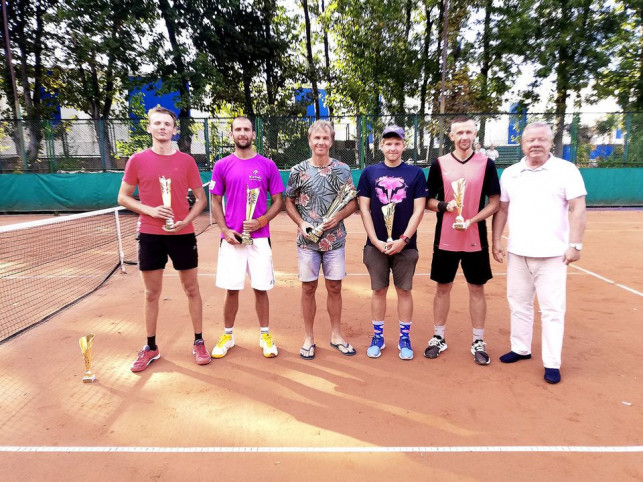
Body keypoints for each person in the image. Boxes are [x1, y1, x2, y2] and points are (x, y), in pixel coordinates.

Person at [492, 121, 587, 384]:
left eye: (541, 140)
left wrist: (575, 245)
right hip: (518, 253)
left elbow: (578, 208)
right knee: (518, 304)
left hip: (553, 255)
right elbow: (502, 209)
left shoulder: (565, 170)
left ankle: (552, 362)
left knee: (552, 310)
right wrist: (496, 240)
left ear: (549, 142)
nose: (535, 144)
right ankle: (521, 348)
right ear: (522, 144)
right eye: (530, 140)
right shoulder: (511, 173)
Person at [118, 106, 209, 372]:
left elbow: (200, 199)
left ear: (173, 129)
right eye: (157, 123)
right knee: (151, 293)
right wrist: (151, 211)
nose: (162, 128)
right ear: (149, 128)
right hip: (149, 234)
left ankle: (199, 341)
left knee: (192, 289)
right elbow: (122, 197)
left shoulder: (186, 161)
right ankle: (151, 347)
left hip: (182, 234)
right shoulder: (137, 160)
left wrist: (187, 220)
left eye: (167, 124)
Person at [424, 116, 500, 365]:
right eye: (460, 133)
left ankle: (478, 340)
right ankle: (438, 337)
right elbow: (428, 201)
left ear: (474, 134)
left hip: (474, 238)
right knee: (442, 288)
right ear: (451, 136)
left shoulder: (486, 164)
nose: (465, 137)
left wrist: (472, 220)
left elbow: (495, 202)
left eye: (469, 132)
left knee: (476, 288)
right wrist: (446, 206)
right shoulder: (440, 163)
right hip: (445, 238)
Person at [209, 116, 284, 358]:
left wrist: (261, 221)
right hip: (232, 239)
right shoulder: (221, 165)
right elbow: (215, 201)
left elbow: (279, 201)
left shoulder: (267, 165)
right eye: (238, 129)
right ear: (231, 134)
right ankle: (228, 336)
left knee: (261, 289)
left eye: (247, 129)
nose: (242, 133)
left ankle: (265, 335)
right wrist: (225, 230)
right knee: (231, 290)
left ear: (253, 134)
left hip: (260, 239)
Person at [285, 120, 358, 360]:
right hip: (307, 243)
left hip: (335, 240)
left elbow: (353, 202)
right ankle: (309, 337)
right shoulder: (298, 171)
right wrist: (301, 223)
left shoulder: (343, 170)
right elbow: (289, 201)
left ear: (331, 141)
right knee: (308, 288)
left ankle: (336, 334)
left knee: (334, 287)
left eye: (325, 138)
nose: (321, 142)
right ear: (309, 140)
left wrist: (338, 217)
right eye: (316, 138)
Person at [357, 125, 428, 360]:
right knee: (378, 290)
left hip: (405, 245)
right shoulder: (369, 173)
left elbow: (419, 211)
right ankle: (378, 336)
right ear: (381, 146)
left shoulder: (416, 174)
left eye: (397, 143)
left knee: (404, 290)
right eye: (388, 143)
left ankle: (404, 337)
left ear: (403, 145)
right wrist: (376, 241)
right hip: (376, 244)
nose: (393, 147)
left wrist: (404, 239)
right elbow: (364, 209)